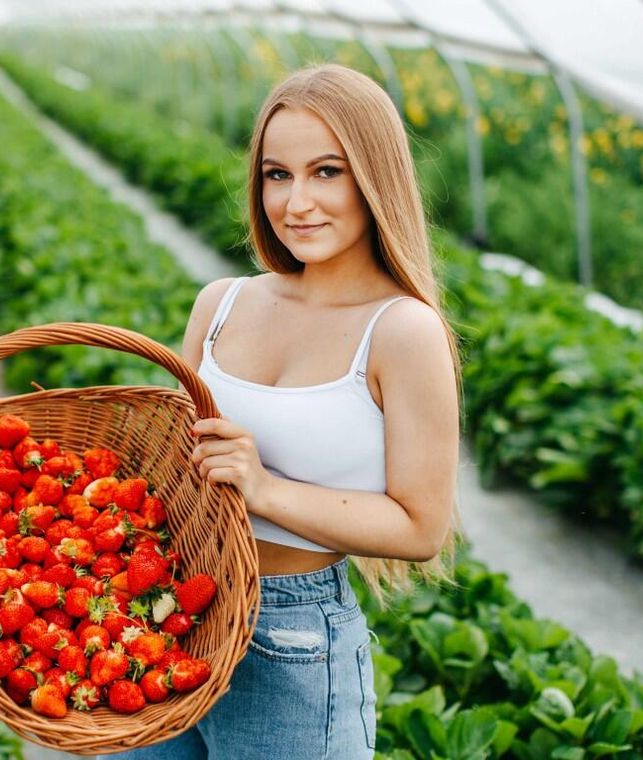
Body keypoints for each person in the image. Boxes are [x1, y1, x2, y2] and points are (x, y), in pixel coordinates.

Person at [117, 63, 461, 759]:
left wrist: (265, 487)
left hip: (292, 642)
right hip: (171, 615)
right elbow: (176, 475)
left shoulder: (401, 331)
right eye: (277, 175)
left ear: (374, 178)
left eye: (326, 172)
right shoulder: (221, 304)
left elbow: (421, 526)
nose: (296, 201)